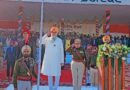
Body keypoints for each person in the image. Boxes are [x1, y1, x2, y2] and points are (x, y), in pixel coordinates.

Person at [41, 26, 64, 90]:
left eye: (55, 32)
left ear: (57, 33)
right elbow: (40, 42)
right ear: (50, 32)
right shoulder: (47, 39)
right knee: (50, 74)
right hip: (49, 60)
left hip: (57, 60)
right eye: (52, 32)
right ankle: (50, 88)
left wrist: (62, 61)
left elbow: (61, 51)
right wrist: (46, 35)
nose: (53, 33)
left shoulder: (59, 40)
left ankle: (55, 87)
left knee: (57, 75)